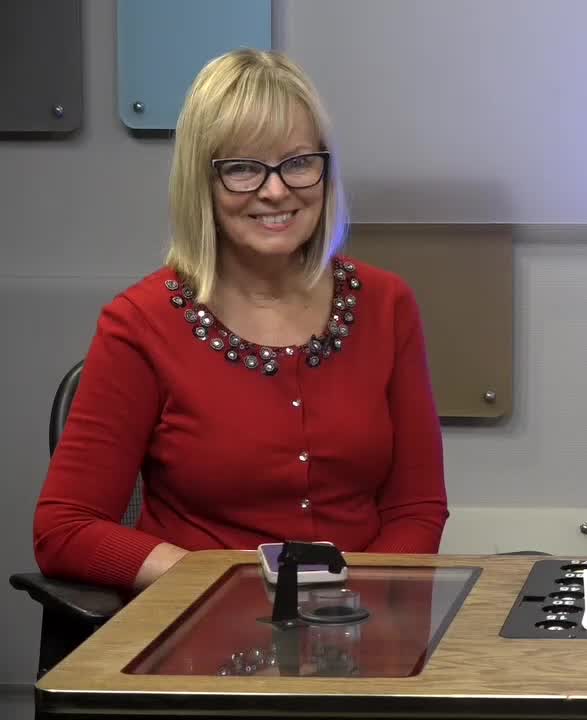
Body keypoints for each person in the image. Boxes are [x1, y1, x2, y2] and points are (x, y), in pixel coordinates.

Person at [33, 50, 448, 592]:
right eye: (243, 168)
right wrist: (220, 584)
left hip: (359, 631)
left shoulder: (387, 305)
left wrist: (360, 598)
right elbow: (65, 530)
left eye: (298, 162)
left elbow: (415, 507)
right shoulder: (141, 324)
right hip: (198, 637)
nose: (276, 191)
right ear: (201, 183)